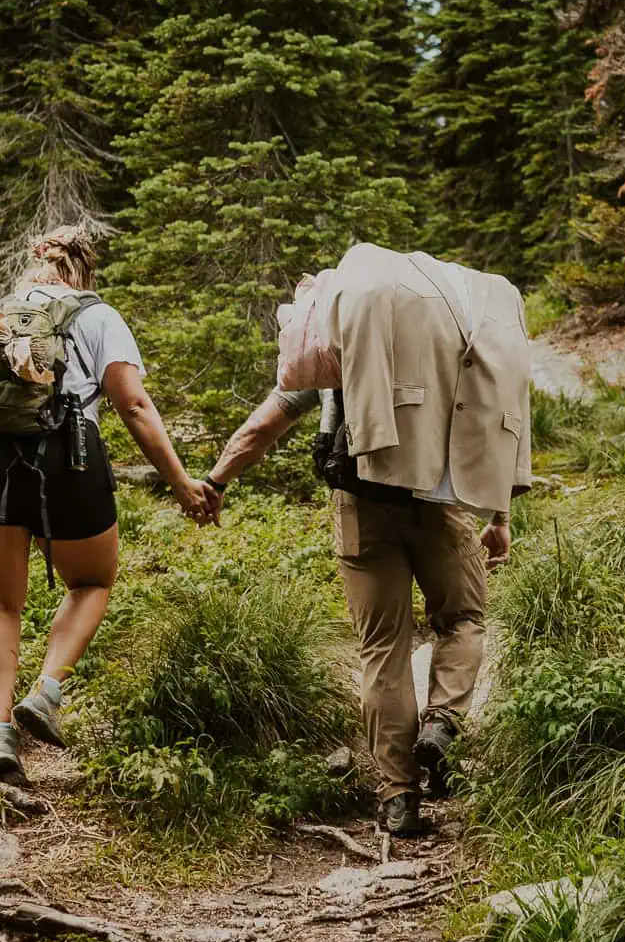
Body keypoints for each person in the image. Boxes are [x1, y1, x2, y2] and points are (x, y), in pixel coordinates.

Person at [202, 245, 531, 837]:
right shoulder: (446, 342)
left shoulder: (334, 351)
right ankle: (443, 726)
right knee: (462, 620)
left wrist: (215, 480)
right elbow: (487, 418)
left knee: (384, 648)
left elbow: (264, 425)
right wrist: (499, 512)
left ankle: (398, 797)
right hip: (440, 501)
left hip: (361, 503)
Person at [0, 226, 215, 787]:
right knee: (91, 580)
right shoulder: (97, 316)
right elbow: (134, 405)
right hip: (69, 455)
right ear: (84, 270)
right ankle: (45, 693)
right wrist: (181, 483)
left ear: (32, 266)